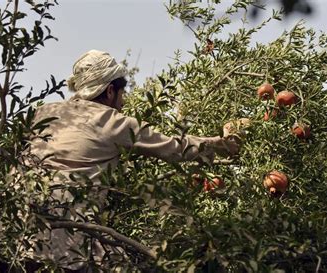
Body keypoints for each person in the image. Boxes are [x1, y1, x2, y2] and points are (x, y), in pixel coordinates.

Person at [25, 50, 240, 271]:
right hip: (66, 246)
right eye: (122, 93)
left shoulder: (42, 113)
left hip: (12, 236)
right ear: (110, 91)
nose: (123, 102)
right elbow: (174, 148)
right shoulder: (111, 121)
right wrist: (220, 144)